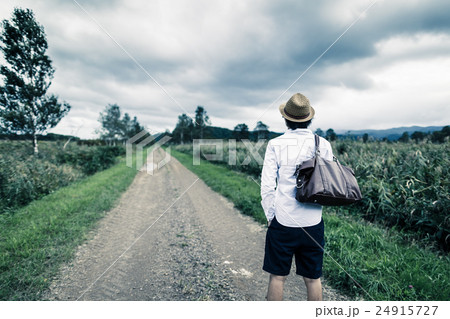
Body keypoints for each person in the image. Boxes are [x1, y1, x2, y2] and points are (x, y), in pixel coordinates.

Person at [260, 93, 334, 301]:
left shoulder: (276, 144)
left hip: (283, 220)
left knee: (277, 277)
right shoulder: (323, 144)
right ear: (309, 118)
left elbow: (267, 185)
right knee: (313, 279)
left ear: (286, 118)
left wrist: (271, 216)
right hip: (313, 221)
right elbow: (327, 184)